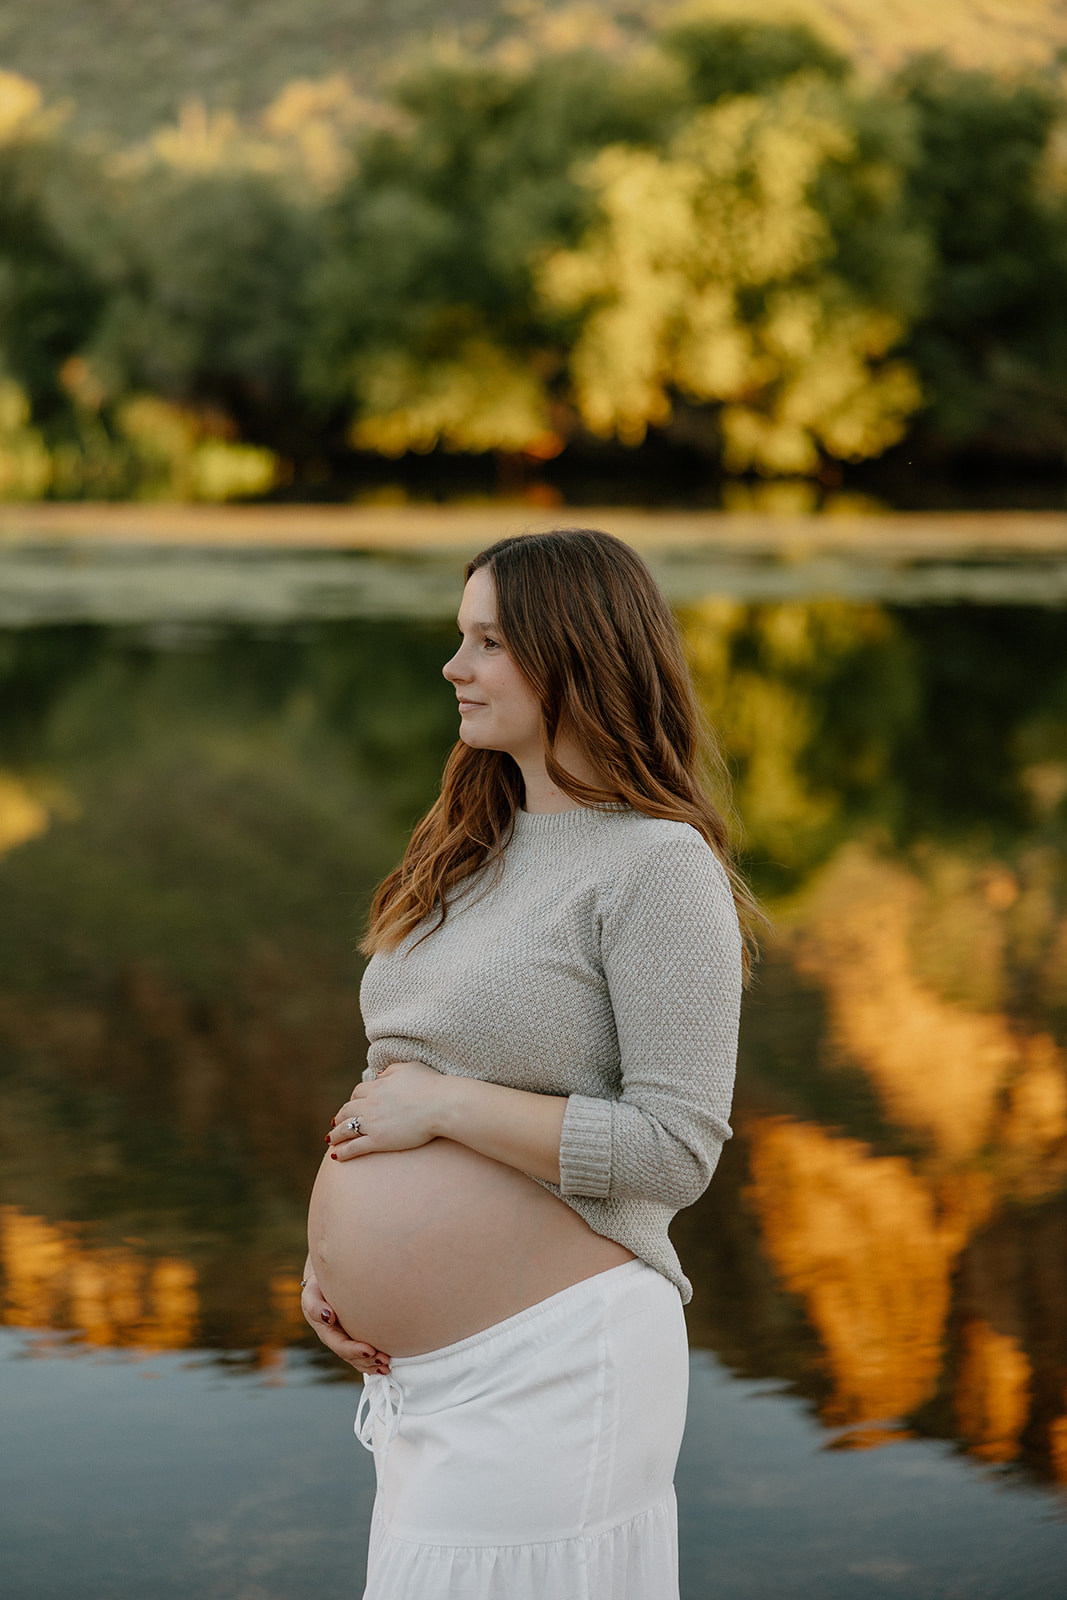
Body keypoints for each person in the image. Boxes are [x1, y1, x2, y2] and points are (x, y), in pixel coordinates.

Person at [300, 527, 758, 1600]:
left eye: (487, 641)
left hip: (557, 1363)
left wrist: (449, 1110)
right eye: (460, 637)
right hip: (422, 1379)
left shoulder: (657, 866)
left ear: (578, 653)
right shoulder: (469, 844)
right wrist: (328, 1271)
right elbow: (393, 1081)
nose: (453, 667)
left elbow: (675, 1150)